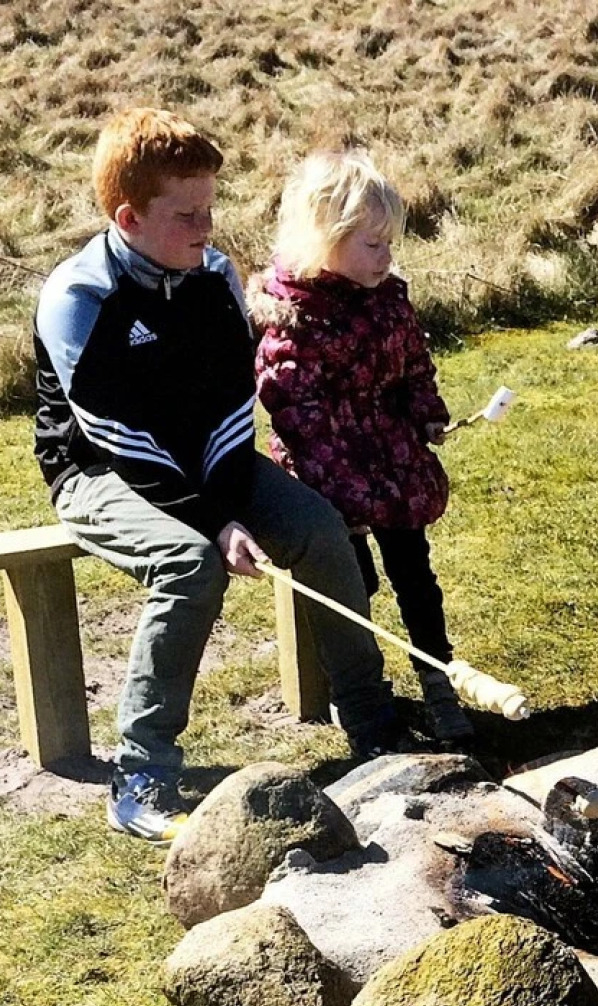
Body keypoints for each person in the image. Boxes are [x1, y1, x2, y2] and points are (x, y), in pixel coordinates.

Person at [33, 109, 403, 843]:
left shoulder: (212, 275)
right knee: (190, 564)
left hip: (213, 461)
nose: (207, 225)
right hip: (100, 473)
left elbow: (236, 403)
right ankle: (142, 771)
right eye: (187, 213)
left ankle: (370, 720)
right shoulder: (78, 297)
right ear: (128, 216)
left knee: (319, 529)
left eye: (211, 206)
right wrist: (216, 521)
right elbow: (118, 438)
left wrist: (232, 499)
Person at [247, 149, 471, 743]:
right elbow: (294, 410)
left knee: (415, 574)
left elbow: (413, 364)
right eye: (372, 244)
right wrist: (342, 489)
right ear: (326, 238)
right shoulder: (294, 318)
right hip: (331, 475)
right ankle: (361, 687)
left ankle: (438, 675)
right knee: (354, 582)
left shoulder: (388, 298)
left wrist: (425, 412)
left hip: (393, 460)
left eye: (390, 242)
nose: (386, 256)